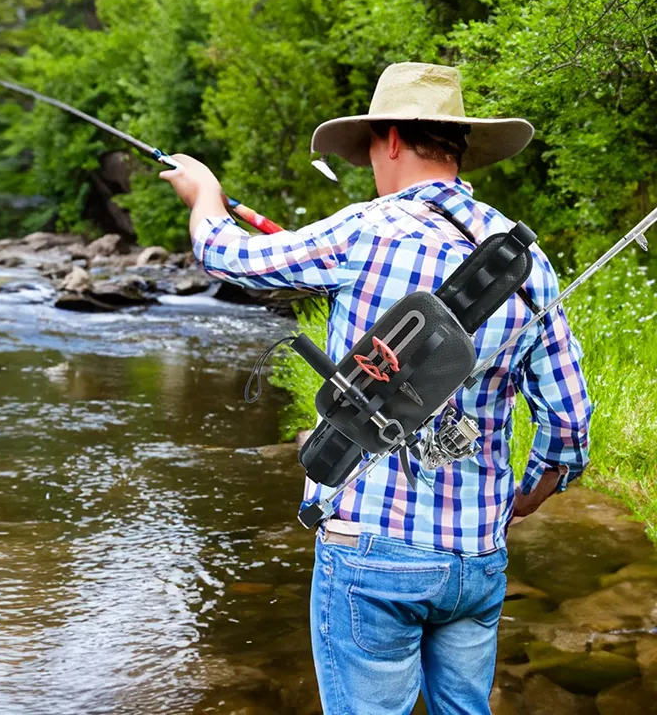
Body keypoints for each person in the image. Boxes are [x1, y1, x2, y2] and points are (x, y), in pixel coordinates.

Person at [160, 62, 592, 714]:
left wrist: (205, 200)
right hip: (477, 555)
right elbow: (569, 423)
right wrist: (529, 496)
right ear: (458, 147)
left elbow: (233, 259)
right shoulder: (523, 262)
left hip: (371, 545)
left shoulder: (365, 230)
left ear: (389, 139)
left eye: (368, 146)